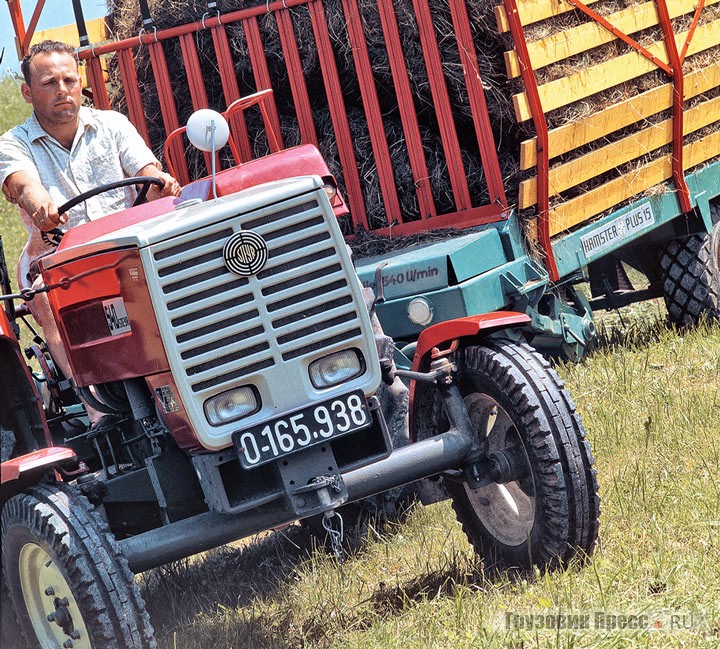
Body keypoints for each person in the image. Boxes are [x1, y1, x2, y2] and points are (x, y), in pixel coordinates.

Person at [0, 40, 181, 426]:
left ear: (80, 83)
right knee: (42, 294)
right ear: (28, 93)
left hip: (124, 248)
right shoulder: (13, 143)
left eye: (69, 79)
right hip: (60, 259)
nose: (62, 90)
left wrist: (159, 181)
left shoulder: (112, 124)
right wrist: (40, 205)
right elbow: (21, 184)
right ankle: (97, 407)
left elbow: (146, 169)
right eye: (50, 82)